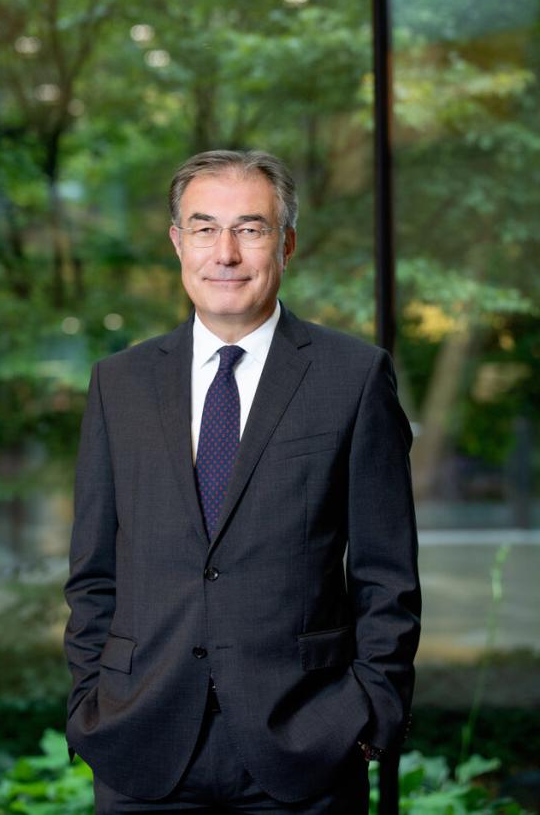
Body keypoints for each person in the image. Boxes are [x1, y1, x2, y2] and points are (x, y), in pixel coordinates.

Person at [64, 150, 421, 814]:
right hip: (141, 743)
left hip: (306, 745)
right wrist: (90, 701)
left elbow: (387, 575)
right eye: (204, 228)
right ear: (178, 242)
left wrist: (371, 714)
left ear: (287, 243)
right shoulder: (119, 383)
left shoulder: (353, 377)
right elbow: (93, 571)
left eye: (250, 229)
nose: (224, 253)